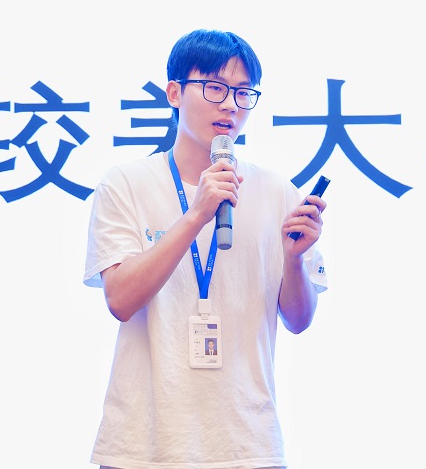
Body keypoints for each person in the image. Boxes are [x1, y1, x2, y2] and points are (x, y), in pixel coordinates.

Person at [83, 29, 328, 469]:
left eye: (243, 93)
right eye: (215, 87)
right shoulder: (125, 183)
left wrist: (294, 261)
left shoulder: (277, 191)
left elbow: (299, 319)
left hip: (248, 445)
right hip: (143, 446)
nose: (230, 105)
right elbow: (120, 300)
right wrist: (196, 215)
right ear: (174, 93)